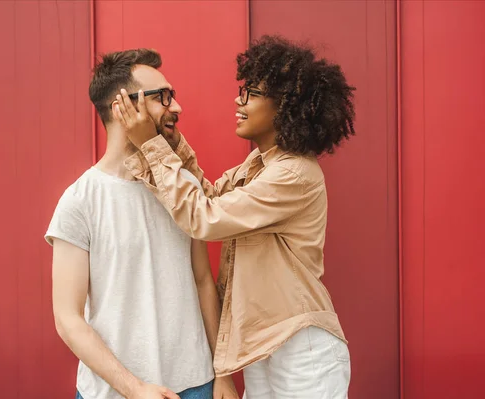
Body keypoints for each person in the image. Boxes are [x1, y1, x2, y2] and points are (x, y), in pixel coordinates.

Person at [113, 35, 356, 398]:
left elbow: (204, 217)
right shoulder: (258, 165)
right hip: (262, 349)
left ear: (285, 107)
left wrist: (151, 145)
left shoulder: (293, 174)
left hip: (302, 350)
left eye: (252, 93)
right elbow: (210, 196)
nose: (238, 101)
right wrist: (170, 142)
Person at [45, 49, 238, 399]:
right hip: (113, 393)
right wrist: (134, 389)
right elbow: (67, 319)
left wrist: (222, 374)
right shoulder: (80, 201)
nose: (176, 108)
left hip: (196, 385)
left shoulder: (183, 190)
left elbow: (203, 282)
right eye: (163, 97)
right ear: (123, 106)